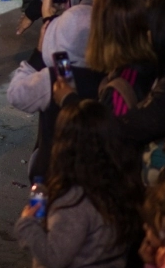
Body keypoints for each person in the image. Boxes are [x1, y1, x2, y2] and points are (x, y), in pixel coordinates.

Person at [15, 100, 140, 268]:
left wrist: (27, 224)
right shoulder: (119, 185)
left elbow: (54, 257)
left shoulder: (75, 202)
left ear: (64, 146)